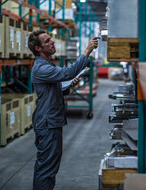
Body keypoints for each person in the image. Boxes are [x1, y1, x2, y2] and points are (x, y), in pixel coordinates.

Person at [28, 29, 99, 190]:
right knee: (46, 166)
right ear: (38, 48)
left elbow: (53, 88)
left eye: (50, 39)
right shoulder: (40, 67)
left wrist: (65, 87)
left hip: (51, 120)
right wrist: (87, 51)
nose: (52, 42)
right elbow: (67, 72)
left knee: (49, 164)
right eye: (47, 41)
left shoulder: (47, 65)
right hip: (47, 123)